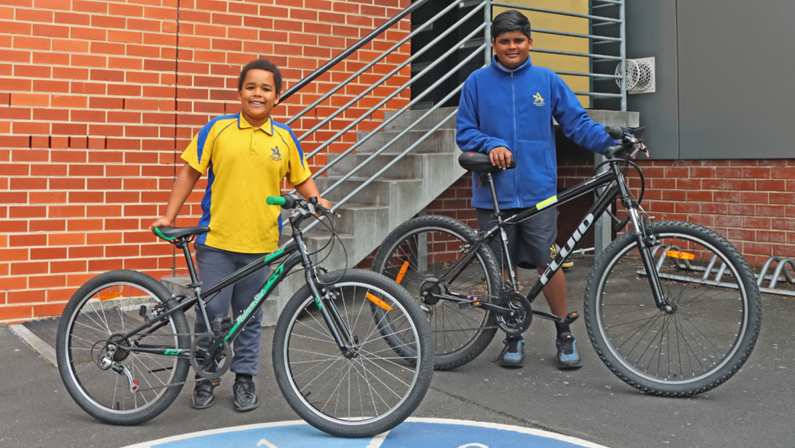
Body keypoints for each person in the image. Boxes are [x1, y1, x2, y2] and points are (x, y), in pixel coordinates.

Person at [149, 59, 331, 411]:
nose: (257, 93)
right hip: (216, 241)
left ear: (277, 97)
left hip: (261, 244)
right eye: (251, 87)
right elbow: (189, 173)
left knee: (249, 316)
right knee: (212, 313)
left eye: (266, 88)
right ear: (239, 92)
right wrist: (169, 215)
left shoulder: (284, 138)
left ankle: (244, 378)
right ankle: (206, 378)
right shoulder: (217, 129)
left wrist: (316, 198)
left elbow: (301, 178)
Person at [456, 10, 616, 370]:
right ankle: (513, 334)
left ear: (530, 42)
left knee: (550, 262)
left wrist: (610, 143)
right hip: (493, 192)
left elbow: (577, 124)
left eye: (518, 40)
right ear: (494, 45)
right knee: (503, 267)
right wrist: (491, 143)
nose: (511, 47)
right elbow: (464, 132)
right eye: (504, 41)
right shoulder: (477, 83)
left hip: (538, 190)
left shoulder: (547, 80)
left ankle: (564, 332)